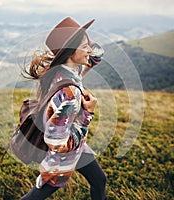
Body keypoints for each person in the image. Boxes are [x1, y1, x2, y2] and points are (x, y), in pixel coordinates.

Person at [20, 17, 108, 200]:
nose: (90, 49)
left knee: (99, 179)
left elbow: (96, 56)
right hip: (61, 159)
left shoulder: (65, 71)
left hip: (78, 148)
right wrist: (88, 114)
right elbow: (57, 143)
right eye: (85, 46)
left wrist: (83, 40)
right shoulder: (69, 94)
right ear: (70, 52)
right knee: (35, 196)